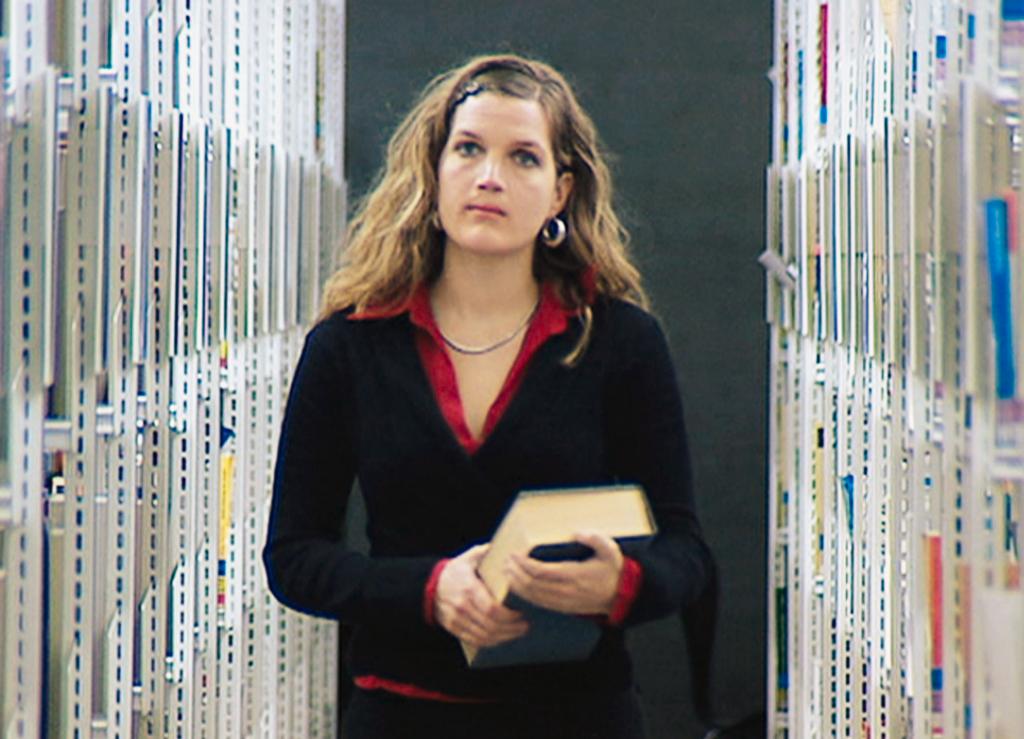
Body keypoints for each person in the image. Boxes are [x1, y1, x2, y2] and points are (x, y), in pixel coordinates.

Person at [263, 53, 712, 739]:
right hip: (401, 719)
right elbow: (294, 556)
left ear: (560, 191)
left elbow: (686, 553)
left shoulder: (621, 341)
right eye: (468, 149)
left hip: (579, 719)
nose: (490, 177)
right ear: (434, 169)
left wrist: (621, 582)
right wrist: (429, 590)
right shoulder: (350, 345)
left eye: (523, 157)